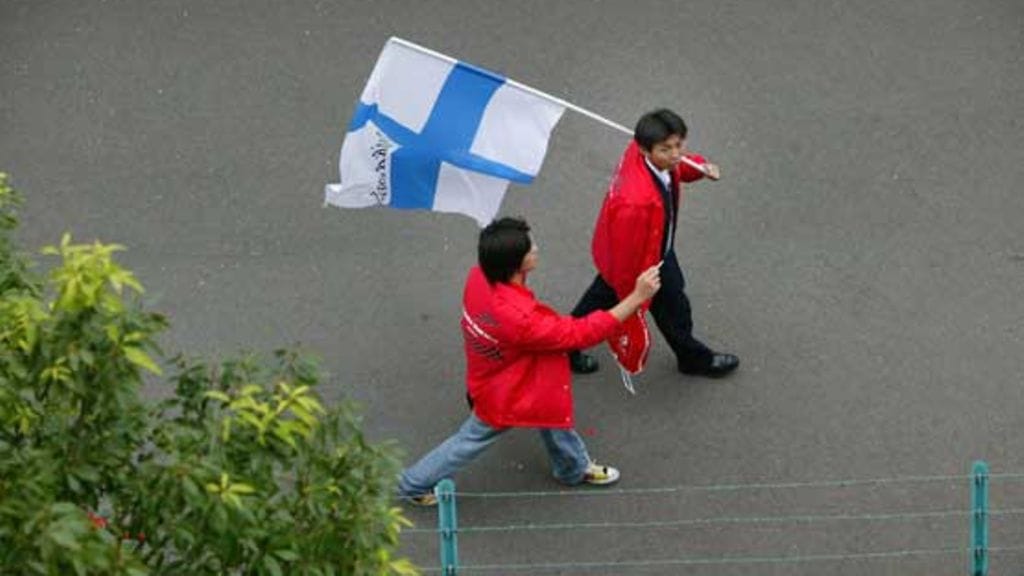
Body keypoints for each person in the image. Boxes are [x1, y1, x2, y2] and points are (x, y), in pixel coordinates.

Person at [398, 217, 661, 505]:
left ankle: (572, 467)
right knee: (472, 439)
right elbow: (578, 333)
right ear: (515, 263)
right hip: (507, 390)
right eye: (530, 247)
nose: (537, 248)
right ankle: (414, 483)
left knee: (551, 413)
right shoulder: (519, 318)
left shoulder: (479, 278)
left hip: (500, 374)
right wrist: (636, 298)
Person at [568, 109, 740, 378]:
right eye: (666, 149)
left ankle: (567, 343)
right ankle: (566, 344)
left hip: (653, 250)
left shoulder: (646, 156)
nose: (675, 154)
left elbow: (676, 166)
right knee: (623, 301)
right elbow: (627, 259)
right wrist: (635, 295)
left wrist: (698, 167)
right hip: (639, 263)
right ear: (645, 149)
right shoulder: (636, 203)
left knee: (668, 305)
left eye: (678, 145)